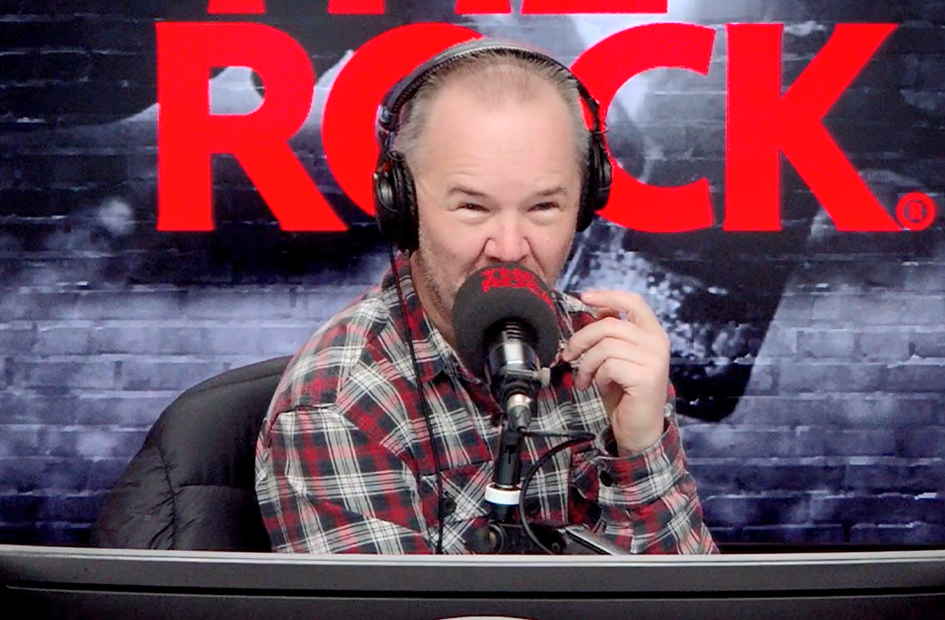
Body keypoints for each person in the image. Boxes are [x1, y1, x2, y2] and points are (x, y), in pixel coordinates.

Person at [253, 38, 717, 555]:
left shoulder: (606, 360)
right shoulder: (341, 406)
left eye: (543, 207)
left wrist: (639, 448)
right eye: (473, 208)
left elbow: (679, 593)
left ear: (586, 202)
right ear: (403, 204)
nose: (510, 248)